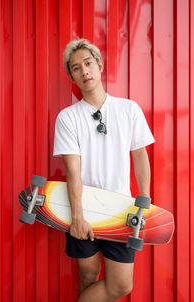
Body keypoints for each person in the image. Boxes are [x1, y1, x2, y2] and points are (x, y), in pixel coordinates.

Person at [53, 38, 155, 302]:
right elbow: (72, 170)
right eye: (76, 68)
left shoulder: (128, 109)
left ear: (99, 65)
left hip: (120, 212)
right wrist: (77, 216)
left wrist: (143, 201)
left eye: (88, 63)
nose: (84, 71)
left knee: (121, 286)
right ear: (72, 77)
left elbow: (140, 156)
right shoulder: (68, 117)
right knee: (88, 277)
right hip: (82, 210)